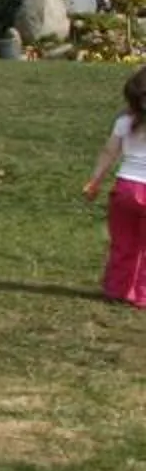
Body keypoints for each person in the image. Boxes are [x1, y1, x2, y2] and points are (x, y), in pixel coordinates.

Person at [81, 65, 146, 308]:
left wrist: (95, 180)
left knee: (123, 242)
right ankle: (141, 295)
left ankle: (116, 289)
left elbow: (109, 151)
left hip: (126, 188)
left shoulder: (125, 121)